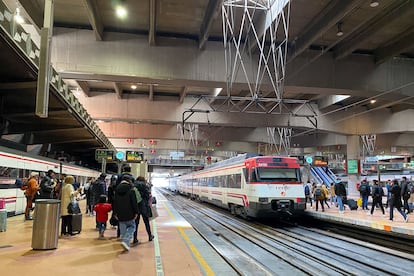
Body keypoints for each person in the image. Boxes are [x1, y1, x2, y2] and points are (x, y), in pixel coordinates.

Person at [113, 180, 139, 252]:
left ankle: (125, 242)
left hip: (120, 213)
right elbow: (134, 202)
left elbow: (114, 202)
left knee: (123, 228)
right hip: (130, 213)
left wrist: (115, 213)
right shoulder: (131, 191)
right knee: (132, 227)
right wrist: (136, 212)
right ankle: (126, 241)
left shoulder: (116, 192)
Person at [132, 176, 154, 246]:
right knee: (146, 222)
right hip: (144, 206)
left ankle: (135, 238)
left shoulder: (133, 185)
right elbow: (148, 196)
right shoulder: (145, 185)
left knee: (136, 223)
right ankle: (150, 236)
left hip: (136, 206)